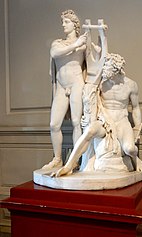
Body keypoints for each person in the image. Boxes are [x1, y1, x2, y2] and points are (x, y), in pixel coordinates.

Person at [52, 53, 142, 177]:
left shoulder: (131, 85)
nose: (107, 78)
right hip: (104, 120)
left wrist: (137, 129)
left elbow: (136, 108)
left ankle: (135, 160)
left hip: (122, 121)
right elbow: (90, 98)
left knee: (130, 149)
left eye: (110, 75)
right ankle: (69, 165)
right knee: (90, 130)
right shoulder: (101, 83)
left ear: (118, 71)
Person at [42, 10, 87, 170]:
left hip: (76, 83)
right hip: (62, 85)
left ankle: (76, 160)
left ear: (74, 24)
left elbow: (94, 62)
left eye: (66, 21)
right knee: (54, 124)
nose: (63, 25)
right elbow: (54, 53)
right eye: (63, 22)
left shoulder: (84, 44)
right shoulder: (58, 43)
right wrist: (75, 44)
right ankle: (58, 159)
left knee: (77, 123)